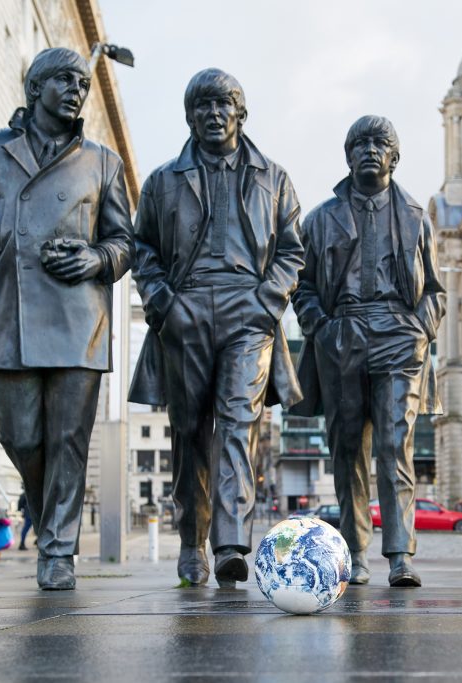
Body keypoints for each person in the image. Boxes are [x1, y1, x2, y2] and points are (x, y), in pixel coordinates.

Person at [0, 48, 133, 590]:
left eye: (82, 84)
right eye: (65, 81)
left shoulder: (101, 162)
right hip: (11, 317)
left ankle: (57, 552)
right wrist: (1, 234)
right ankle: (50, 519)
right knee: (21, 436)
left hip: (78, 319)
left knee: (69, 439)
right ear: (36, 88)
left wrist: (96, 258)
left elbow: (125, 242)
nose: (76, 91)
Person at [129, 69, 303, 588]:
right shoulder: (163, 181)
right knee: (189, 432)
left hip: (248, 313)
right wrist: (164, 303)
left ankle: (229, 543)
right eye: (201, 106)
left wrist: (264, 301)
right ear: (189, 117)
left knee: (236, 422)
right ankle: (191, 543)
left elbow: (293, 251)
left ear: (240, 114)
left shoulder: (274, 178)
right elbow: (144, 251)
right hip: (185, 311)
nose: (212, 114)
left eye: (223, 104)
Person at [292, 115, 445, 587]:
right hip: (343, 334)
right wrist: (322, 327)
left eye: (381, 144)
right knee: (347, 448)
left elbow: (436, 291)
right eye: (360, 143)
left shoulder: (417, 217)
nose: (370, 151)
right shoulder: (319, 219)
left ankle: (400, 554)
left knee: (392, 445)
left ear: (395, 158)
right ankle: (355, 552)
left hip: (399, 334)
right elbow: (302, 285)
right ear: (347, 155)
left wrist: (420, 328)